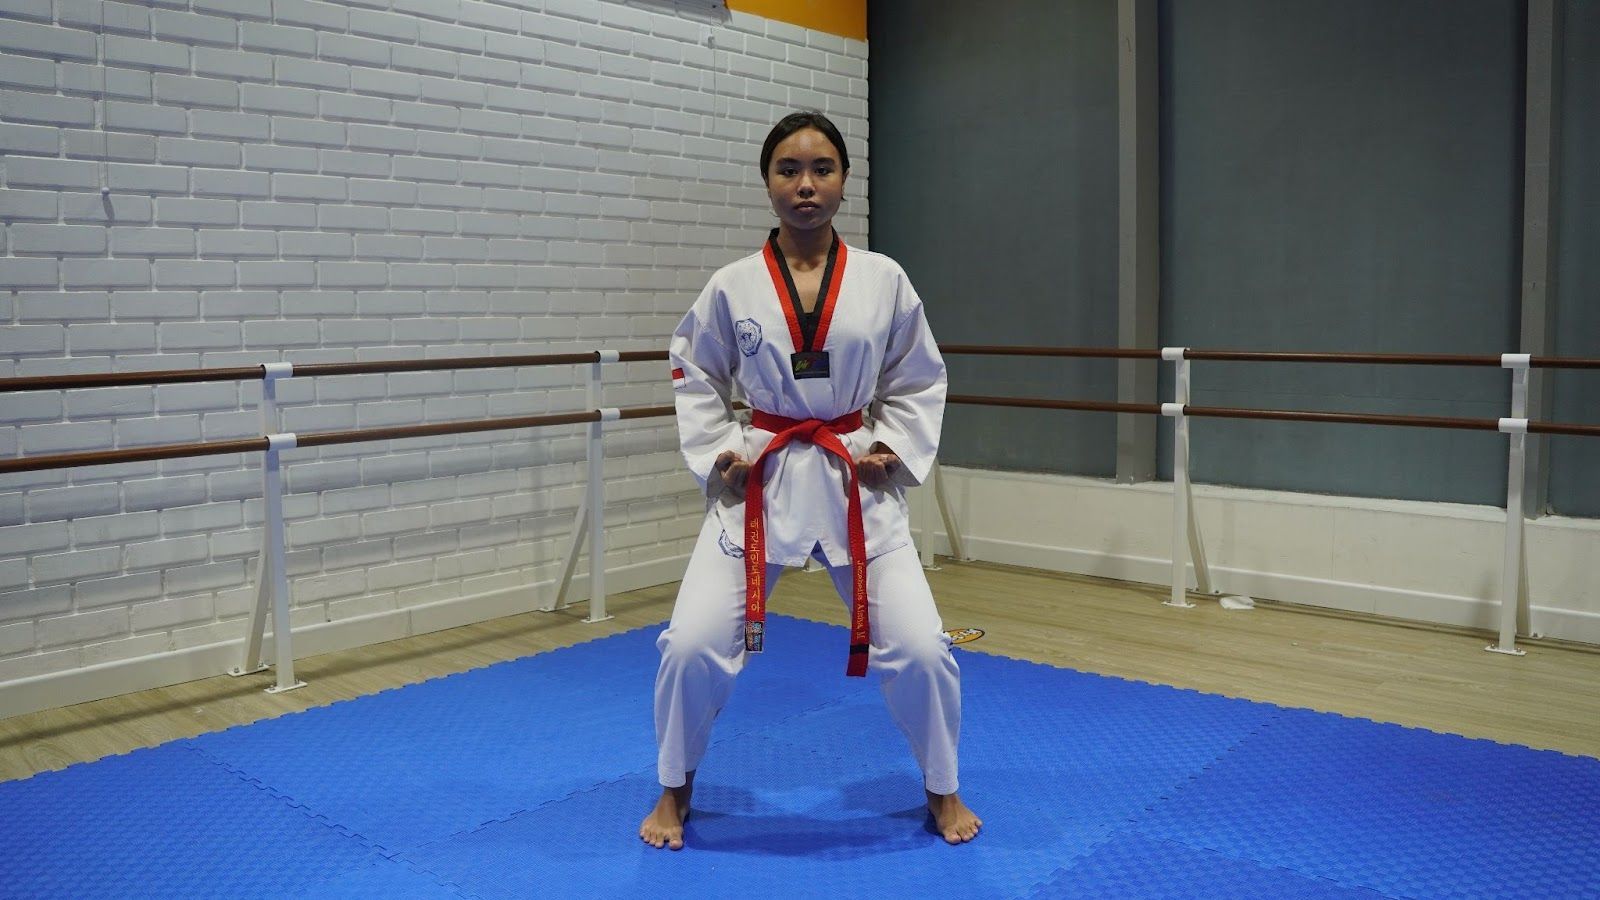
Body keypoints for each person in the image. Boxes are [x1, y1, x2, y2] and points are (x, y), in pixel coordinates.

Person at [640, 111, 981, 851]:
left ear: (844, 181)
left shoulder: (883, 278)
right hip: (759, 475)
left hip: (852, 472)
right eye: (788, 170)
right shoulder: (731, 286)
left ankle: (942, 787)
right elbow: (692, 369)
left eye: (821, 169)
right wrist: (718, 449)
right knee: (691, 645)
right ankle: (675, 787)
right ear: (767, 181)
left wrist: (891, 443)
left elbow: (920, 376)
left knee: (923, 649)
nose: (805, 185)